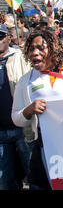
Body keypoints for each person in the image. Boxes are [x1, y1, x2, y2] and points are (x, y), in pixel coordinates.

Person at [12, 29, 63, 189]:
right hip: (47, 147)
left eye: (40, 48)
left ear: (53, 48)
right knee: (57, 184)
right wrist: (29, 110)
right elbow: (16, 117)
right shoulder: (26, 81)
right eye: (31, 49)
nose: (34, 53)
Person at [0, 24, 32, 190]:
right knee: (5, 181)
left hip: (23, 129)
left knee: (33, 176)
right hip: (1, 132)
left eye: (0, 36)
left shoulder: (21, 57)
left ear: (8, 38)